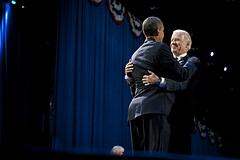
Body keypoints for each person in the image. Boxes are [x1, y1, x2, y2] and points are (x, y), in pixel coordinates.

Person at [126, 16, 200, 153]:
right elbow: (140, 83)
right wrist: (128, 76)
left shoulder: (192, 62)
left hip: (180, 120)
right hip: (161, 114)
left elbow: (184, 85)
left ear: (187, 45)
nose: (172, 42)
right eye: (171, 39)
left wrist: (160, 81)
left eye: (177, 40)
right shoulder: (162, 59)